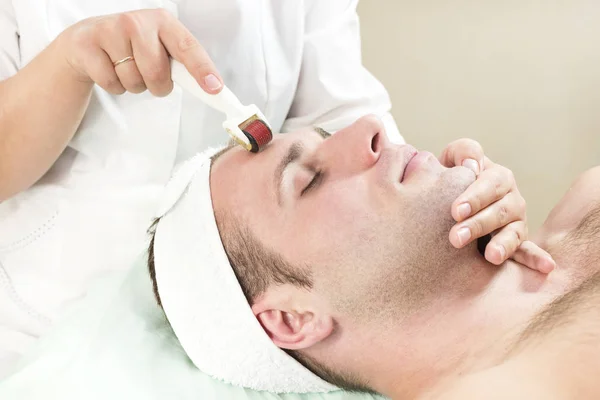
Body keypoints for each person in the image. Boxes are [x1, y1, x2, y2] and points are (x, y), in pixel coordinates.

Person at [0, 1, 405, 375]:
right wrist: (67, 63)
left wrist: (432, 192)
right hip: (38, 322)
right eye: (305, 181)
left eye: (306, 176)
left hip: (237, 338)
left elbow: (344, 119)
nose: (370, 134)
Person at [147, 115, 595, 398]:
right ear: (292, 319)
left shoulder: (587, 204)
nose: (368, 126)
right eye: (310, 180)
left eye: (325, 136)